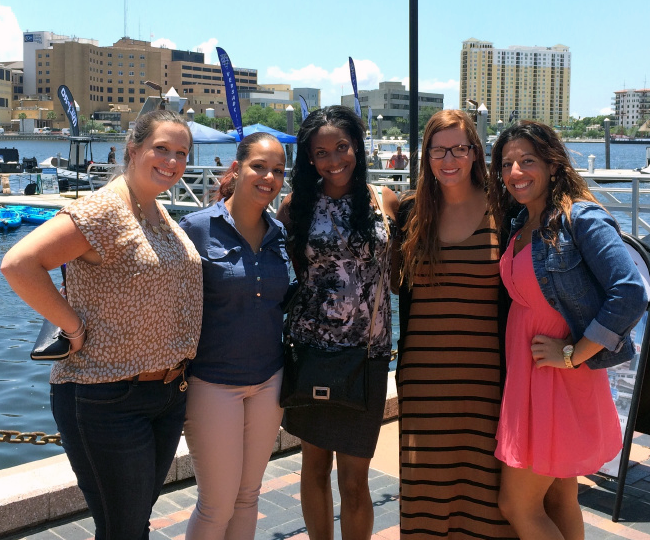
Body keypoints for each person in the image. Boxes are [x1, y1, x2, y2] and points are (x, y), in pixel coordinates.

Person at [1, 109, 203, 540]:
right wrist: (71, 327)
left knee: (130, 524)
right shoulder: (104, 209)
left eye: (181, 153)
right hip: (106, 395)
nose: (172, 161)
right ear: (133, 150)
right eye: (161, 149)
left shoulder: (155, 210)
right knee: (124, 528)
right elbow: (20, 264)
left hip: (165, 393)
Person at [488, 120, 648, 540]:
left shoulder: (580, 215)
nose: (515, 173)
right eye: (506, 164)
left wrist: (574, 354)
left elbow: (630, 292)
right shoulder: (521, 221)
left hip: (557, 377)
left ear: (553, 164)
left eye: (527, 161)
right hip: (532, 376)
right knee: (559, 499)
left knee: (516, 504)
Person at [393, 110, 516, 539]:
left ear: (475, 153)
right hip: (424, 381)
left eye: (459, 148)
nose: (449, 159)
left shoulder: (504, 209)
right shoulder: (410, 212)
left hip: (487, 382)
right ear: (425, 155)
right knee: (427, 489)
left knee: (485, 492)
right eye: (438, 149)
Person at [277, 105, 398, 540]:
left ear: (358, 147)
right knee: (313, 467)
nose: (333, 160)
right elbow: (286, 270)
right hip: (311, 351)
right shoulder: (296, 206)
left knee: (354, 478)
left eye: (342, 147)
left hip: (367, 354)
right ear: (309, 158)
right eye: (321, 152)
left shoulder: (383, 200)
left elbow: (400, 272)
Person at [179, 133, 290, 540]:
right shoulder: (196, 228)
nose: (268, 177)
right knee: (216, 504)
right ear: (237, 168)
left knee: (248, 496)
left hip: (268, 381)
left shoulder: (279, 234)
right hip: (212, 382)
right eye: (259, 166)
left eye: (278, 170)